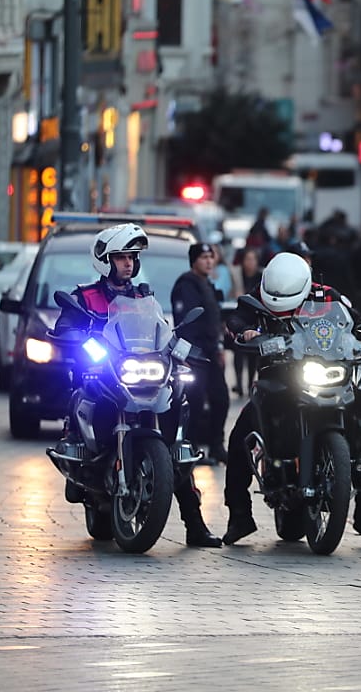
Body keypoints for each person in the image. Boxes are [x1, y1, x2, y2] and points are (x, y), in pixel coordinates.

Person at [53, 224, 222, 547]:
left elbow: (161, 329)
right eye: (120, 257)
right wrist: (73, 335)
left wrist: (181, 347)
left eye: (131, 257)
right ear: (104, 260)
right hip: (103, 377)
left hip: (142, 374)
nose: (128, 264)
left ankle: (195, 524)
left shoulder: (143, 295)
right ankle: (78, 452)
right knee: (81, 396)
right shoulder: (85, 295)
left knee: (174, 442)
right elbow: (65, 326)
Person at [221, 252, 361, 548]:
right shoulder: (259, 296)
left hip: (330, 374)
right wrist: (244, 332)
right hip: (280, 379)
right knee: (239, 438)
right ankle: (239, 515)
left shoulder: (328, 296)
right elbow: (236, 318)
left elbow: (359, 322)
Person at [172, 243, 231, 466]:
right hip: (195, 354)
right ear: (194, 261)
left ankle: (216, 446)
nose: (208, 261)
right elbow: (187, 322)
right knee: (194, 402)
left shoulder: (206, 284)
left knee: (221, 399)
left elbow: (215, 319)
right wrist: (187, 354)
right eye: (203, 257)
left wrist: (219, 346)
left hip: (211, 352)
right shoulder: (186, 285)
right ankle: (191, 447)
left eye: (211, 257)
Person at [230, 247, 262, 396]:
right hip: (239, 317)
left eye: (253, 259)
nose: (250, 263)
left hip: (257, 320)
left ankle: (250, 383)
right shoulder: (236, 275)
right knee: (238, 349)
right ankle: (238, 381)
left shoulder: (262, 278)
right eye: (247, 259)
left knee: (252, 356)